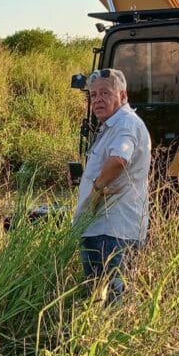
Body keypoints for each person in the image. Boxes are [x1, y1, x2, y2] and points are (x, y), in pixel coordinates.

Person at [72, 68, 151, 304]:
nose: (97, 100)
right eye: (93, 95)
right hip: (104, 229)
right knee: (99, 300)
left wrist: (96, 191)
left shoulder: (126, 124)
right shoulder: (114, 125)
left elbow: (119, 159)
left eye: (105, 93)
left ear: (123, 96)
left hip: (111, 232)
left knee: (112, 302)